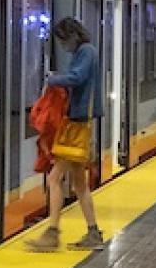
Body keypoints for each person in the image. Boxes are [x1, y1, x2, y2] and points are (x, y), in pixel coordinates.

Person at [26, 17, 105, 252]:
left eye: (63, 41)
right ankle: (93, 232)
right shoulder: (87, 52)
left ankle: (52, 234)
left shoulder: (86, 52)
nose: (63, 46)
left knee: (54, 179)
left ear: (71, 36)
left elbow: (77, 78)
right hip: (80, 123)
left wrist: (53, 79)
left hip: (76, 125)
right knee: (79, 183)